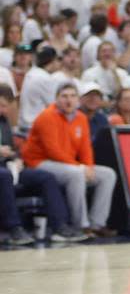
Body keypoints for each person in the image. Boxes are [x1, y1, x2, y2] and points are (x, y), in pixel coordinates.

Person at [21, 82, 118, 236]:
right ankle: (81, 224)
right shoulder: (47, 116)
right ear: (56, 99)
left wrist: (89, 167)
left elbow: (85, 147)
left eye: (73, 96)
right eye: (64, 96)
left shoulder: (81, 118)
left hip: (66, 163)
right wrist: (80, 168)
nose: (69, 100)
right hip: (39, 162)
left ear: (78, 100)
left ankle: (97, 224)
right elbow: (52, 151)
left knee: (108, 174)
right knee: (76, 174)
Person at [0, 85, 87, 244]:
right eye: (1, 105)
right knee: (4, 176)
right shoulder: (47, 117)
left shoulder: (3, 121)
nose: (4, 110)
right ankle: (14, 229)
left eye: (6, 106)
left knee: (45, 177)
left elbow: (12, 148)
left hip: (9, 167)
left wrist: (17, 158)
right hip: (3, 172)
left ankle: (60, 227)